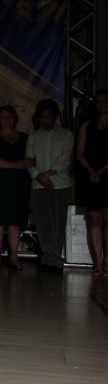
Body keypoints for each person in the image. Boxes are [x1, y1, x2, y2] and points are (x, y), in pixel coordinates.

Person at [0, 106, 33, 270]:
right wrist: (16, 165)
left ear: (15, 118)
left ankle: (14, 255)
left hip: (19, 185)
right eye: (3, 116)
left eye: (10, 116)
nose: (7, 118)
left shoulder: (25, 138)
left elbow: (33, 158)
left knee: (15, 221)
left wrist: (30, 162)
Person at [25, 99, 74, 273]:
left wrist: (47, 174)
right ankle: (52, 260)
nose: (44, 120)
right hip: (38, 185)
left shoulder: (66, 135)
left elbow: (65, 160)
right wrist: (39, 175)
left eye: (48, 116)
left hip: (59, 184)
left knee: (57, 224)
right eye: (41, 117)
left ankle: (51, 260)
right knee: (43, 224)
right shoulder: (33, 136)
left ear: (55, 116)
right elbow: (28, 161)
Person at [76, 89, 108, 276]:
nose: (101, 104)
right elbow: (80, 153)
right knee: (94, 220)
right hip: (90, 176)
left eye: (105, 100)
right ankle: (98, 260)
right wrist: (91, 171)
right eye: (98, 101)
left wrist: (102, 171)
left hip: (106, 175)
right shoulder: (87, 125)